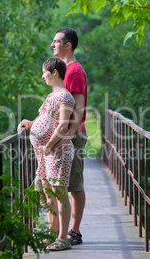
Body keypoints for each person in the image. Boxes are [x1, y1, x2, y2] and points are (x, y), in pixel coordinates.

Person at [18, 57, 75, 251]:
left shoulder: (65, 97)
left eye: (44, 72)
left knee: (59, 193)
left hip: (57, 152)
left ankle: (63, 238)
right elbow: (46, 119)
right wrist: (30, 123)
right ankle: (51, 235)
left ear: (55, 73)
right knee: (48, 193)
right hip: (45, 154)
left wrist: (49, 146)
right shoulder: (52, 95)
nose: (42, 76)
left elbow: (62, 125)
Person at [50, 27, 88, 245]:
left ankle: (74, 232)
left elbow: (79, 107)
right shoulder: (63, 71)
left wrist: (68, 136)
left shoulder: (74, 71)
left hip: (71, 136)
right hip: (62, 136)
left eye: (56, 41)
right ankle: (58, 231)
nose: (52, 44)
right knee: (61, 184)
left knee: (74, 183)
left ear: (68, 46)